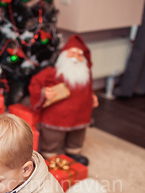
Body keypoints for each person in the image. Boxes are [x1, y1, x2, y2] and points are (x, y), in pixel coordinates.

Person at [29, 35, 99, 166]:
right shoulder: (52, 73)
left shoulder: (85, 75)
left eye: (80, 55)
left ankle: (73, 152)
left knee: (77, 135)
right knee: (53, 137)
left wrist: (93, 96)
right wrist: (44, 92)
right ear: (64, 55)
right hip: (57, 116)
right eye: (72, 53)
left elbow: (88, 88)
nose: (76, 57)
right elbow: (35, 83)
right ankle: (49, 154)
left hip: (80, 114)